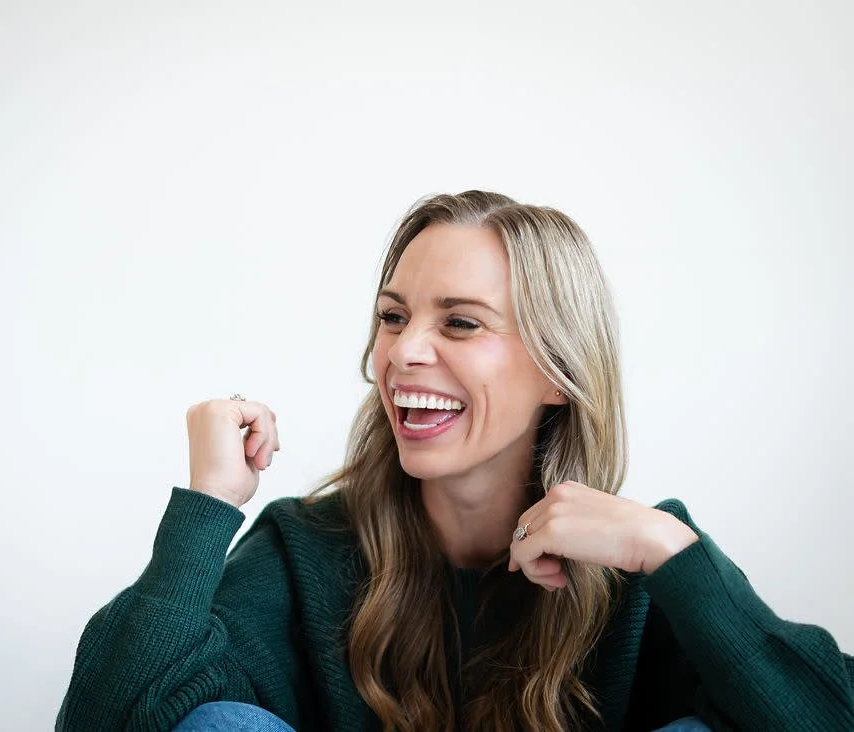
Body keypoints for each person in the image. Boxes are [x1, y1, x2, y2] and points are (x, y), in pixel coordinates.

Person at [55, 191, 854, 732]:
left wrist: (675, 557)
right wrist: (207, 511)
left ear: (557, 371)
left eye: (461, 324)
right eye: (393, 317)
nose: (404, 352)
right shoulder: (305, 550)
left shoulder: (646, 563)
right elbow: (107, 718)